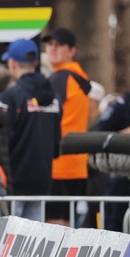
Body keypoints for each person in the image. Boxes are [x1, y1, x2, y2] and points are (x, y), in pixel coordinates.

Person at [0, 38, 62, 221]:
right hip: (43, 179)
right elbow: (57, 141)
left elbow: (3, 138)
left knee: (11, 239)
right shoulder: (54, 97)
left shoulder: (11, 95)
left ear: (12, 63)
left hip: (15, 182)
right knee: (32, 242)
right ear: (35, 62)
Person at [42, 27, 91, 226]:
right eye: (50, 44)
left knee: (55, 224)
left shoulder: (59, 79)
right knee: (67, 223)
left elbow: (48, 118)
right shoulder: (81, 79)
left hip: (58, 165)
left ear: (72, 50)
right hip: (78, 164)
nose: (52, 49)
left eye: (59, 45)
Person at [92, 55, 130, 231]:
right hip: (124, 178)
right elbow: (98, 137)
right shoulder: (122, 106)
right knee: (116, 227)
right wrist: (129, 133)